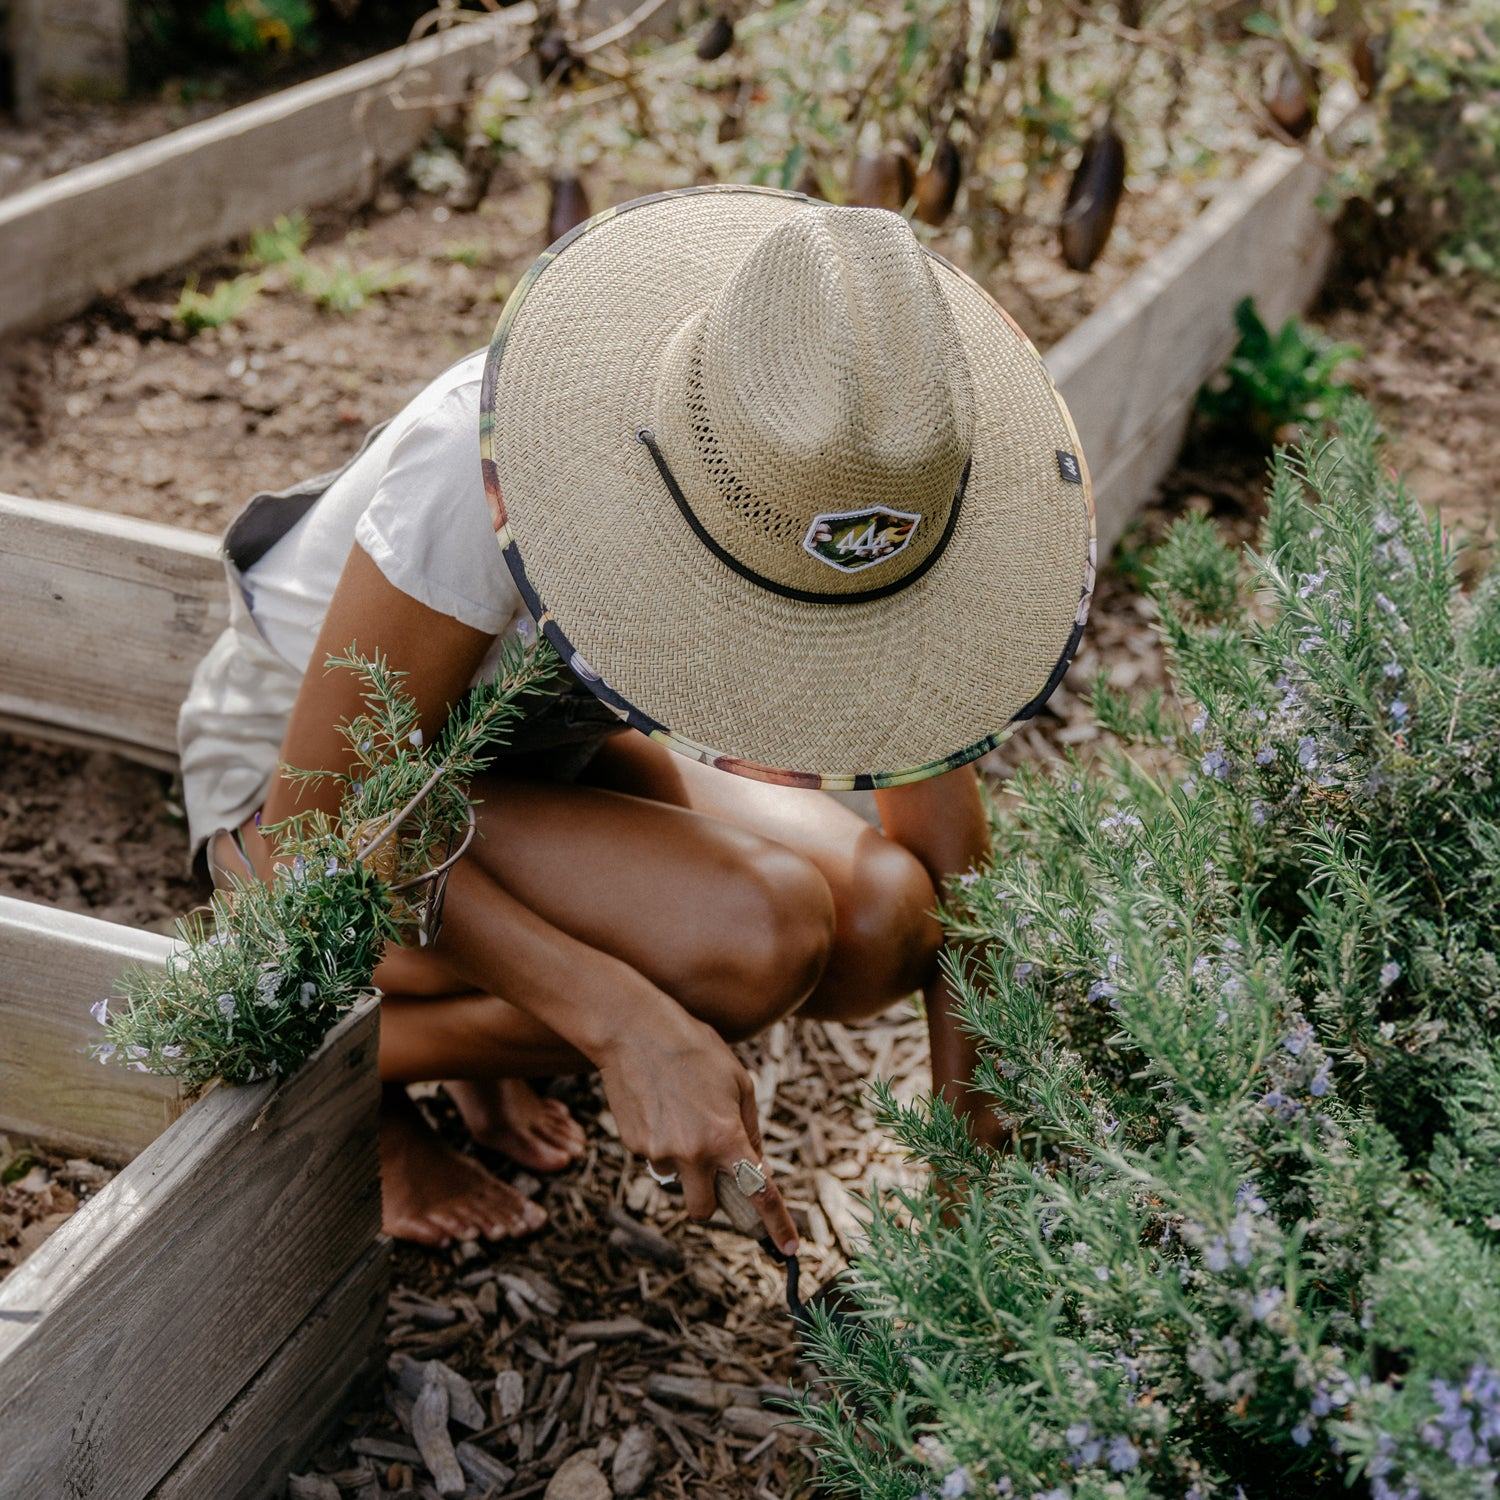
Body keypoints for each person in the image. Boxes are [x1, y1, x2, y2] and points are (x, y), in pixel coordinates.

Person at [178, 186, 1094, 1251]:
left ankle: (487, 1048)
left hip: (531, 768)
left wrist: (971, 1152)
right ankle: (352, 1082)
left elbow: (948, 852)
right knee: (754, 939)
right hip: (299, 796)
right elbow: (323, 821)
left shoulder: (881, 476)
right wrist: (623, 1024)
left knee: (886, 914)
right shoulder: (484, 460)